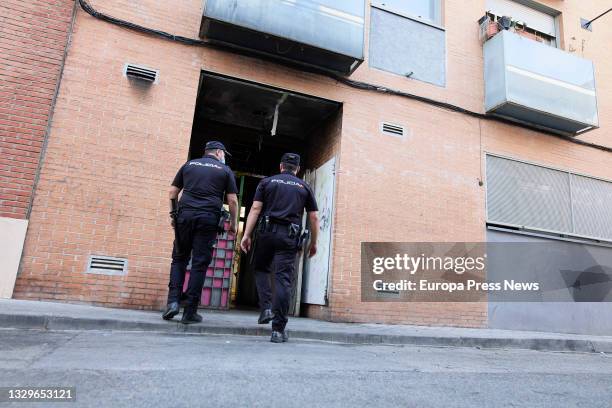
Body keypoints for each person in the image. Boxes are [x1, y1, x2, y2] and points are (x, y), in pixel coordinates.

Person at [240, 153, 319, 343]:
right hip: (289, 237)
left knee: (260, 268)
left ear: (281, 166)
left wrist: (246, 234)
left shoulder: (267, 182)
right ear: (297, 169)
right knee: (283, 280)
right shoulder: (304, 186)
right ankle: (277, 330)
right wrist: (314, 242)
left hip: (266, 233)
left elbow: (255, 209)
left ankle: (266, 307)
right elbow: (314, 217)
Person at [162, 141, 238, 324]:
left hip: (184, 217)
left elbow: (172, 192)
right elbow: (233, 201)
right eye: (224, 154)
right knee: (199, 264)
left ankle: (172, 303)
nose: (224, 157)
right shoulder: (224, 170)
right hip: (208, 219)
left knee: (179, 259)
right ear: (219, 152)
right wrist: (234, 224)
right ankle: (190, 311)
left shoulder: (189, 165)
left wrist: (174, 215)